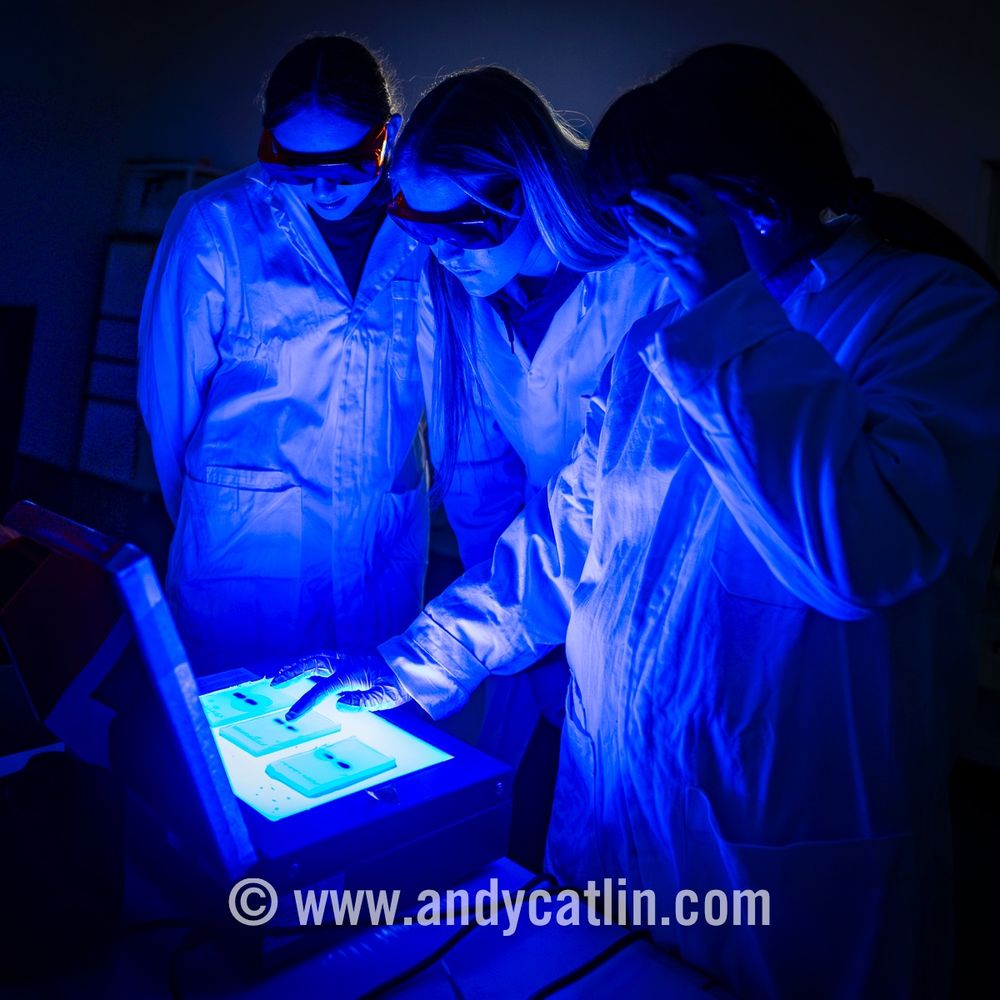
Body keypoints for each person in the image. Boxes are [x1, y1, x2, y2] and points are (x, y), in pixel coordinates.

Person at [270, 44, 1000, 997]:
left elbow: (853, 557)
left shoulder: (934, 318)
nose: (630, 253)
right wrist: (405, 666)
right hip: (619, 820)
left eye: (647, 220)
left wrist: (728, 304)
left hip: (779, 855)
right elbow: (563, 544)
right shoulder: (664, 341)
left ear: (745, 200)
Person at [274, 68, 673, 863]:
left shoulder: (647, 281)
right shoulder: (452, 294)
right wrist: (530, 651)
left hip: (642, 587)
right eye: (420, 227)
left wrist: (494, 642)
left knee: (636, 870)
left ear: (532, 189)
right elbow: (482, 491)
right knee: (522, 838)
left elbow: (601, 507)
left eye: (464, 225)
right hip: (528, 590)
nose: (442, 252)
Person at [138, 35, 429, 674]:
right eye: (298, 167)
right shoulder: (216, 225)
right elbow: (170, 413)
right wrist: (223, 509)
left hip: (381, 548)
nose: (323, 189)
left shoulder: (425, 233)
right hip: (242, 559)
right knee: (232, 742)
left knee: (369, 742)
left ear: (390, 136)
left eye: (348, 166)